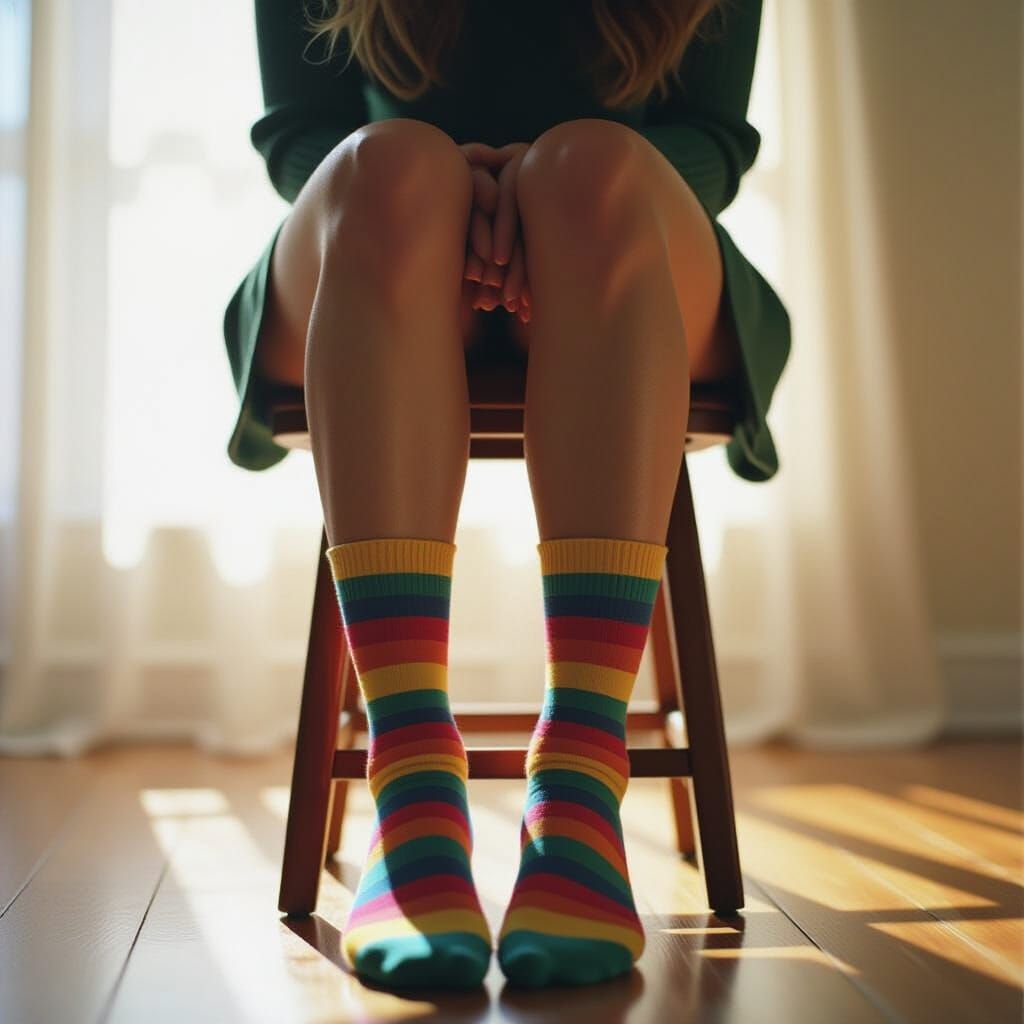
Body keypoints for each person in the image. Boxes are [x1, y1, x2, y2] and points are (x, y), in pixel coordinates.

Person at [222, 0, 790, 992]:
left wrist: (530, 189)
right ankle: (412, 775)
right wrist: (467, 187)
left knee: (590, 168)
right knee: (388, 166)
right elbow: (295, 133)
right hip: (376, 242)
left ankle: (577, 777)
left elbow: (711, 139)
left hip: (623, 235)